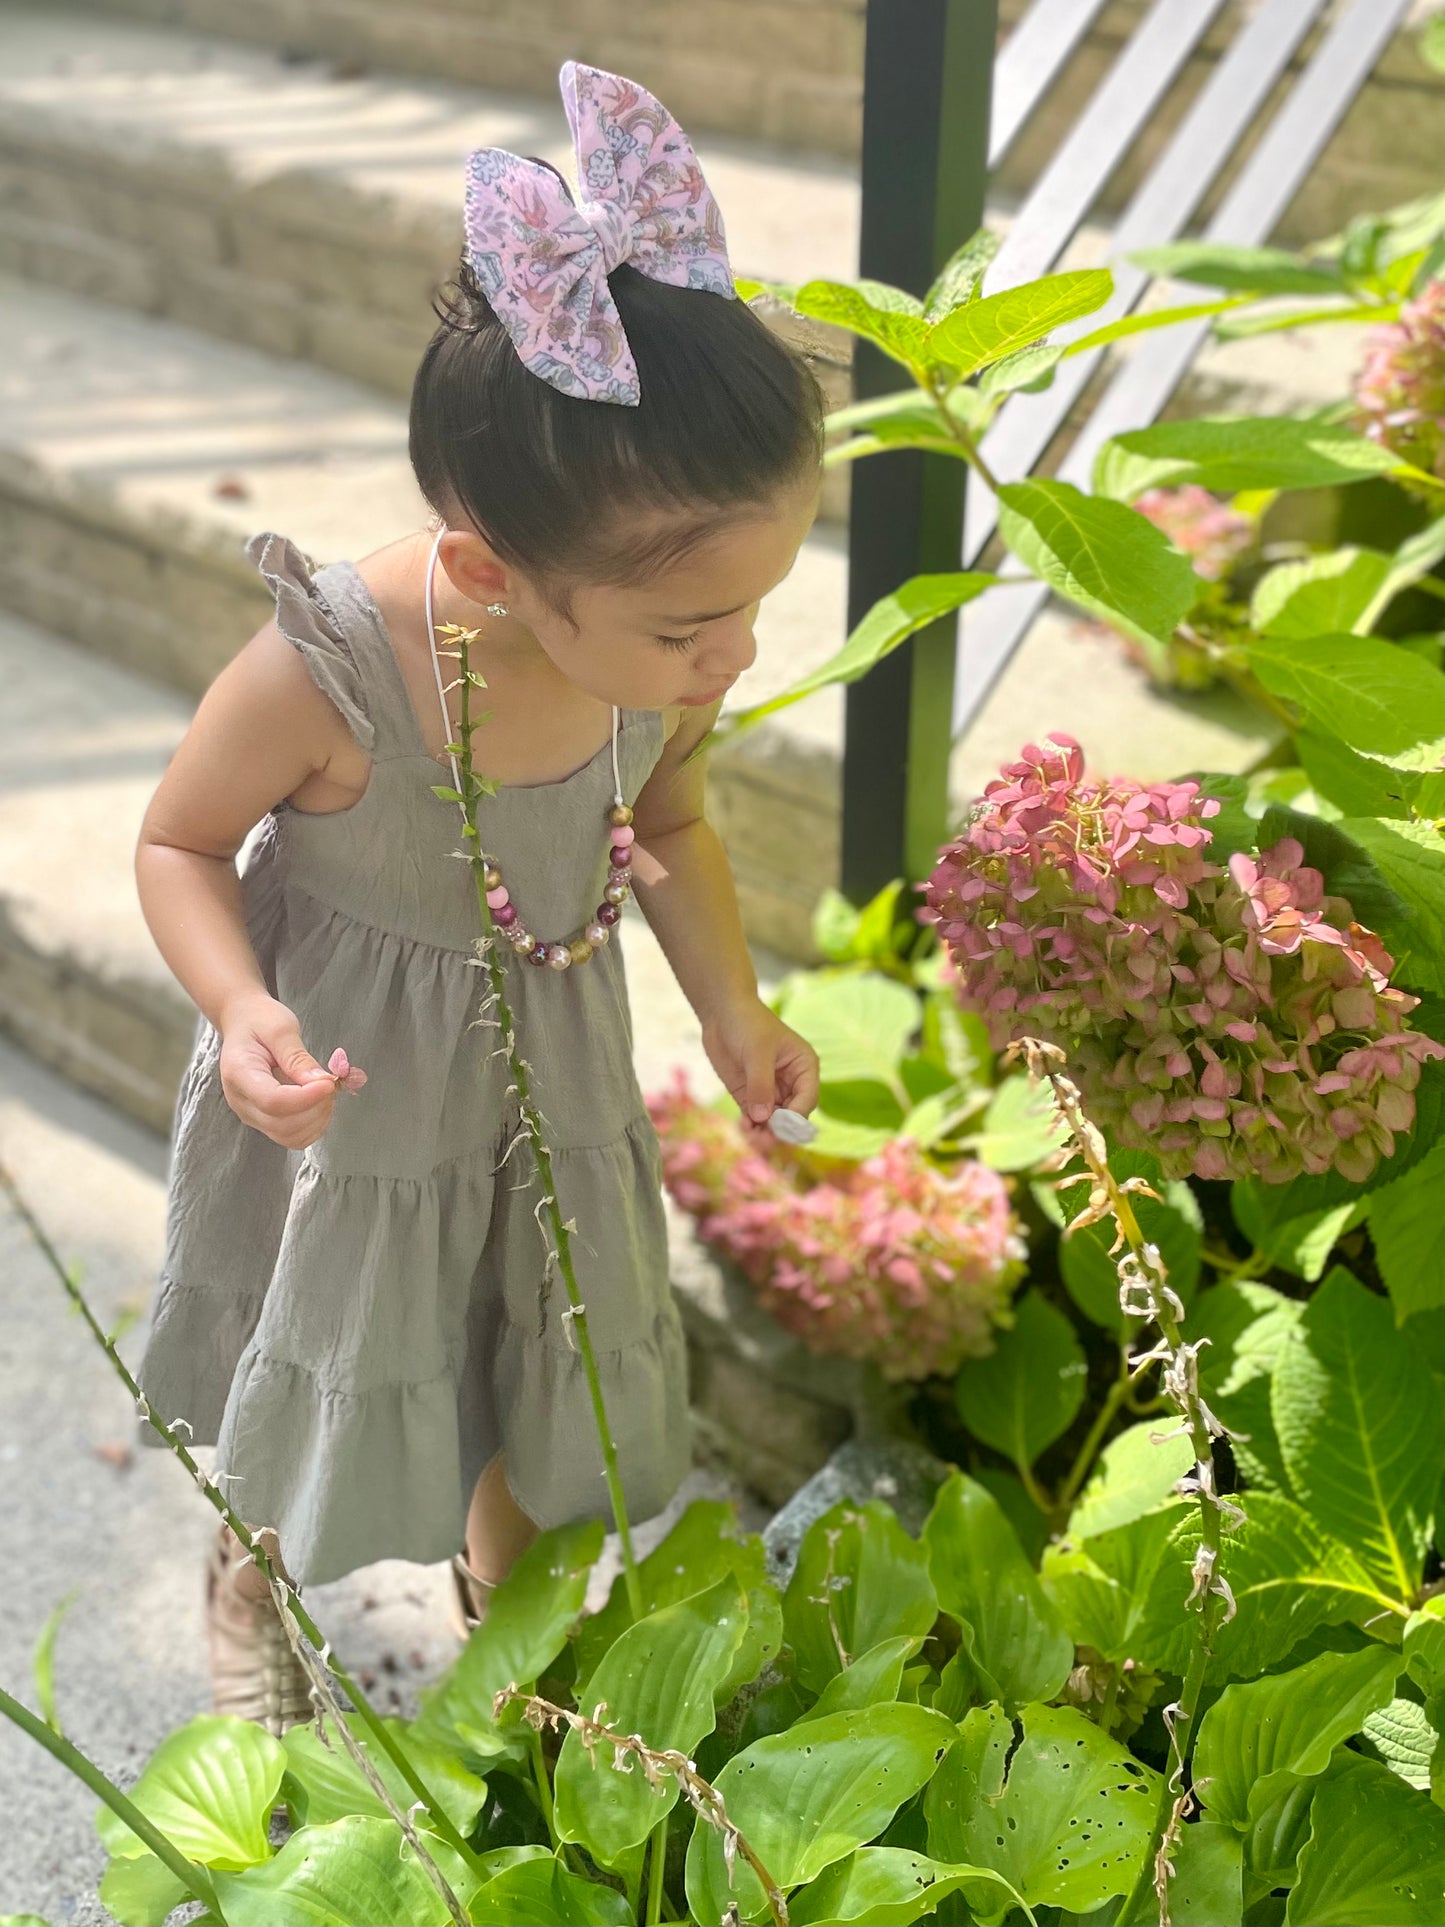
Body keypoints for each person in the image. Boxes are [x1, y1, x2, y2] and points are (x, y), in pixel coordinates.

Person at [133, 60, 823, 1733]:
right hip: (356, 1095)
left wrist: (733, 1006)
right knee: (350, 1357)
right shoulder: (337, 669)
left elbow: (668, 805)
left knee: (538, 1353)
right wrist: (241, 1013)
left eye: (760, 603)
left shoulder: (664, 647)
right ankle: (261, 1570)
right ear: (491, 575)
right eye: (688, 633)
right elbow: (175, 844)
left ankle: (519, 1662)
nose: (728, 657)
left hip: (556, 1069)